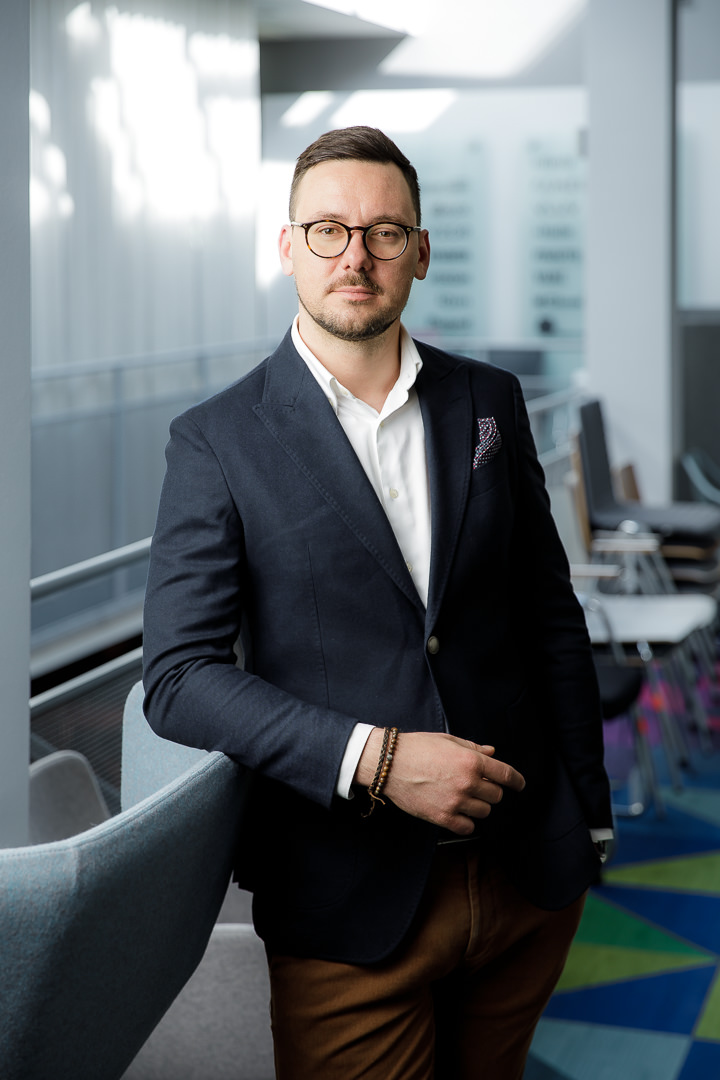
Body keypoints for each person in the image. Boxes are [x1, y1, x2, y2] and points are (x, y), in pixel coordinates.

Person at [142, 125, 613, 1079]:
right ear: (288, 248)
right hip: (347, 904)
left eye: (385, 232)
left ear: (420, 252)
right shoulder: (216, 441)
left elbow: (548, 615)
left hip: (525, 877)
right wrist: (378, 760)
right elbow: (179, 678)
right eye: (328, 230)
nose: (354, 255)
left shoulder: (489, 401)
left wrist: (590, 818)